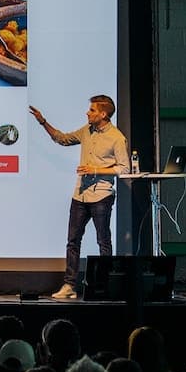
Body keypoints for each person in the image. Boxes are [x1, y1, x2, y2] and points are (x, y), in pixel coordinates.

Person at [29, 94, 132, 300]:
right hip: (80, 195)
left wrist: (95, 170)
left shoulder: (117, 138)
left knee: (103, 241)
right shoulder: (87, 131)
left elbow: (124, 168)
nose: (87, 113)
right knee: (73, 241)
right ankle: (69, 286)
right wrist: (43, 121)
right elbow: (63, 139)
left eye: (92, 110)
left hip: (101, 195)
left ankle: (104, 286)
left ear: (103, 114)